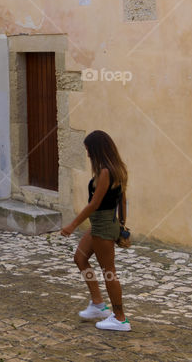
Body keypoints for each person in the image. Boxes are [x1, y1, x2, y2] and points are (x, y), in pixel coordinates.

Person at [60, 130, 131, 331]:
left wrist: (72, 225)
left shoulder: (106, 172)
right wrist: (122, 224)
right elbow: (123, 200)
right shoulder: (117, 168)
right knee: (80, 258)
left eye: (89, 150)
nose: (88, 154)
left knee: (109, 273)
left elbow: (94, 204)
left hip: (103, 225)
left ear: (97, 149)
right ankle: (99, 305)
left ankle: (120, 318)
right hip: (103, 223)